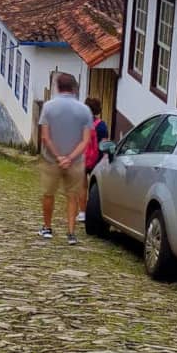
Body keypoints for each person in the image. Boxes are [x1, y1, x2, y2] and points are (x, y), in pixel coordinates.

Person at [37, 72, 91, 245]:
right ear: (74, 88)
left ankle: (47, 228)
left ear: (57, 87)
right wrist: (70, 158)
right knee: (72, 196)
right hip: (75, 162)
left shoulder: (48, 107)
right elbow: (85, 140)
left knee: (48, 194)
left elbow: (45, 137)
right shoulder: (85, 110)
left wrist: (59, 157)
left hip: (52, 160)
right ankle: (71, 232)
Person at [77, 96, 109, 224]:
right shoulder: (101, 126)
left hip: (82, 158)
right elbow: (105, 144)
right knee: (95, 187)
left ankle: (82, 213)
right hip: (97, 160)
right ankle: (94, 212)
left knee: (82, 186)